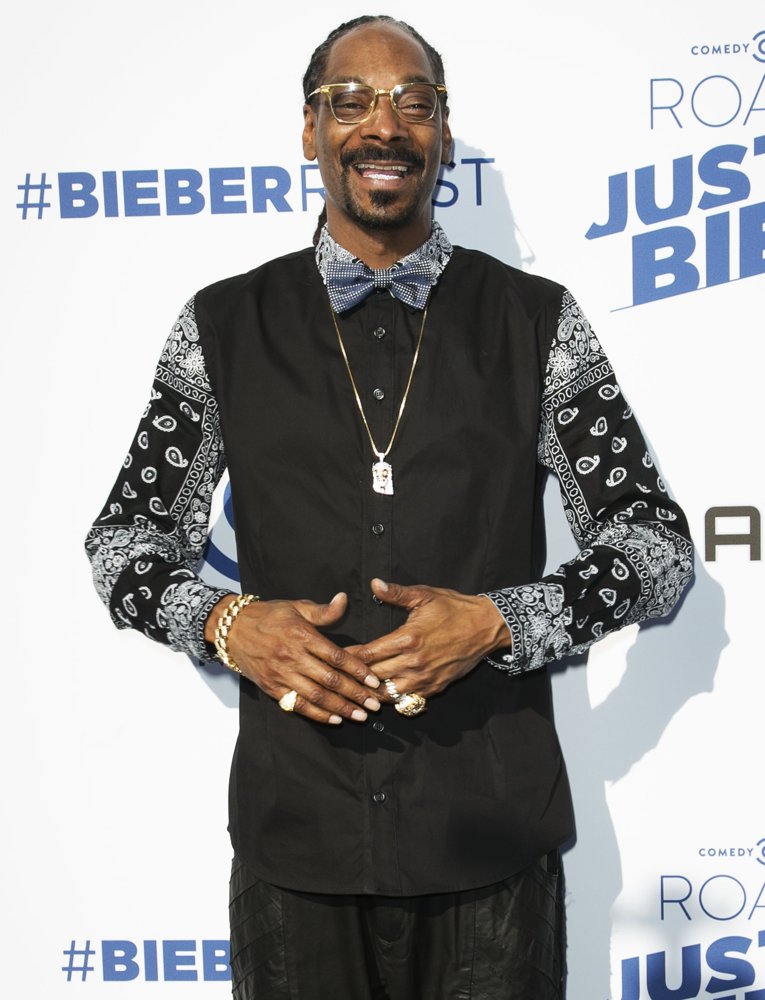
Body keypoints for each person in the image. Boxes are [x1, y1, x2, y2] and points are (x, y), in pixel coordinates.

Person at [86, 14, 693, 1000]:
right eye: (351, 101)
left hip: (491, 843)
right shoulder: (224, 325)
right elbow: (124, 541)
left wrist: (502, 621)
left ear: (442, 134)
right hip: (298, 850)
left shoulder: (535, 321)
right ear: (310, 129)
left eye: (415, 103)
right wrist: (228, 624)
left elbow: (655, 544)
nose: (384, 125)